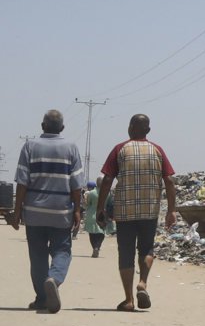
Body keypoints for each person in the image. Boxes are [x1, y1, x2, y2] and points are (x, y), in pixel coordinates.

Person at [96, 114, 177, 312]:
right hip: (149, 211)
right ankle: (142, 282)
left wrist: (101, 208)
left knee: (126, 253)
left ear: (130, 127)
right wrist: (172, 210)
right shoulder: (157, 150)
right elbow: (169, 181)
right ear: (147, 131)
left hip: (125, 212)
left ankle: (129, 299)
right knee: (147, 249)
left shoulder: (120, 149)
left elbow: (107, 180)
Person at [10, 110, 86, 313]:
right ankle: (55, 278)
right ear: (62, 128)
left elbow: (22, 182)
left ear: (42, 126)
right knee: (62, 251)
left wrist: (17, 212)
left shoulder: (30, 146)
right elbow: (76, 184)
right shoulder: (71, 148)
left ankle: (42, 298)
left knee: (37, 256)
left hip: (34, 212)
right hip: (61, 212)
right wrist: (77, 210)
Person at [82, 179, 108, 257]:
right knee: (102, 232)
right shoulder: (107, 193)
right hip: (102, 214)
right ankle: (97, 247)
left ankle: (94, 247)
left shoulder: (91, 193)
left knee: (92, 233)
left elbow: (87, 204)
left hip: (91, 214)